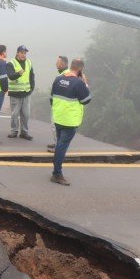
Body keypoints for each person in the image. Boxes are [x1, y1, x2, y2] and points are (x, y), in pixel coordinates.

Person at [50, 58, 91, 186]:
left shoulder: (58, 79)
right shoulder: (78, 83)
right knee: (62, 147)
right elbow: (86, 100)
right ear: (80, 70)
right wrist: (85, 83)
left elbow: (51, 99)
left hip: (58, 118)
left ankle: (56, 171)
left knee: (59, 145)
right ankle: (57, 174)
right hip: (69, 121)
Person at [6, 45, 35, 140]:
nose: (23, 54)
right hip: (15, 93)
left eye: (25, 53)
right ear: (17, 53)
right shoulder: (11, 63)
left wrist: (31, 88)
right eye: (22, 52)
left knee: (26, 114)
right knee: (15, 114)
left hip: (26, 93)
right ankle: (14, 131)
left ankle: (24, 132)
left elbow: (32, 76)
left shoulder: (29, 62)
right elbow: (10, 76)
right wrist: (18, 73)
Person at [47, 55, 69, 153]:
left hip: (59, 106)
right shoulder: (67, 74)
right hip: (62, 106)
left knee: (55, 125)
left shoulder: (62, 77)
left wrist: (52, 102)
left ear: (62, 64)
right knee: (57, 126)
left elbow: (54, 93)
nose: (56, 64)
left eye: (57, 62)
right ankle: (57, 143)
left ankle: (58, 147)